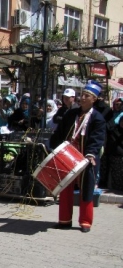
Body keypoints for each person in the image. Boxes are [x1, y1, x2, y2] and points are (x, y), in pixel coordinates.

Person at [50, 81, 106, 233]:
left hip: (86, 159)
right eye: (82, 95)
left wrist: (90, 154)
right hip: (68, 157)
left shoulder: (97, 118)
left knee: (86, 190)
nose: (82, 98)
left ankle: (85, 222)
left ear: (94, 99)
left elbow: (97, 139)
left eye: (86, 96)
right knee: (65, 188)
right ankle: (64, 220)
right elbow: (60, 132)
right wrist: (54, 147)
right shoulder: (71, 114)